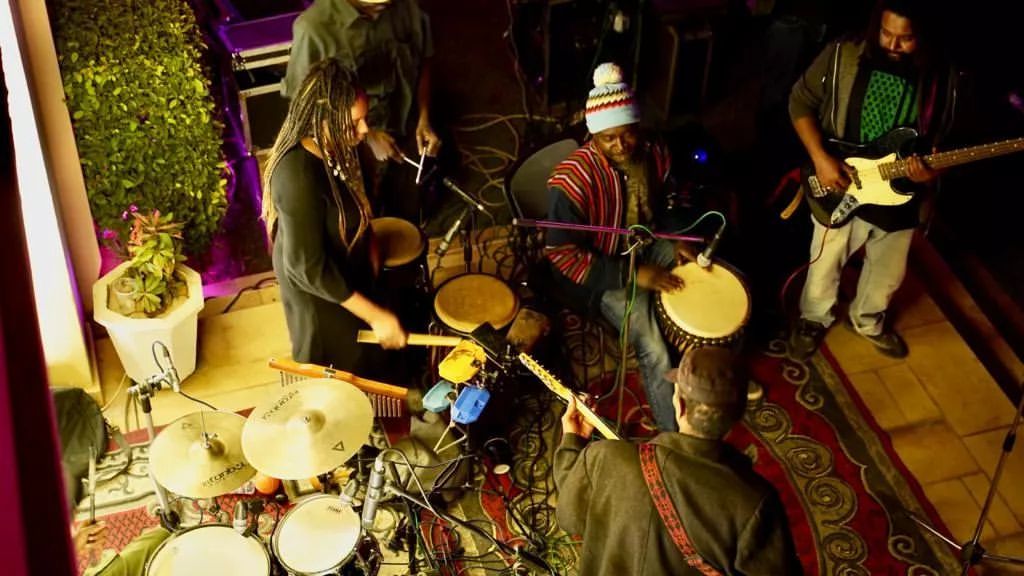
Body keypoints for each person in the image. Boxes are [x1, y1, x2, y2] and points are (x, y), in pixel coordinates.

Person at [787, 0, 954, 360]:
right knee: (825, 263)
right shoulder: (843, 54)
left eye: (905, 38)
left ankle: (866, 320)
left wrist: (931, 172)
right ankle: (813, 319)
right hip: (842, 179)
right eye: (885, 33)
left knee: (888, 274)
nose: (892, 45)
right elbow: (799, 102)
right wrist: (820, 158)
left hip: (901, 192)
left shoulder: (941, 78)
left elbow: (944, 139)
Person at [554, 346, 803, 575]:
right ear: (738, 414)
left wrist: (572, 441)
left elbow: (569, 517)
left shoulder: (604, 456)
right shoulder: (755, 502)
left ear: (680, 405)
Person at [544, 62, 698, 432]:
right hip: (602, 268)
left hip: (646, 241)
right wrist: (633, 275)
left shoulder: (655, 150)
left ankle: (712, 380)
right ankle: (672, 437)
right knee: (653, 346)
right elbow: (563, 254)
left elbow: (673, 198)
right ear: (593, 135)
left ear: (638, 127)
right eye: (608, 138)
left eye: (627, 134)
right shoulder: (572, 181)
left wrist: (678, 237)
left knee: (701, 275)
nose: (620, 145)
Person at [263, 58, 408, 375]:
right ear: (322, 120)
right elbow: (306, 267)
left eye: (365, 119)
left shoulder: (338, 144)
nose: (365, 130)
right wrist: (376, 316)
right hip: (319, 291)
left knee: (372, 354)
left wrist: (370, 247)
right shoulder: (298, 176)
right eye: (354, 123)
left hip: (345, 268)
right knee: (344, 369)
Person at [282, 0, 439, 221]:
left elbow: (424, 62)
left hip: (406, 132)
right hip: (351, 152)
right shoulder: (313, 29)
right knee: (364, 221)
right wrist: (367, 136)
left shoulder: (407, 8)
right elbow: (303, 107)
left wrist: (424, 118)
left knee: (406, 217)